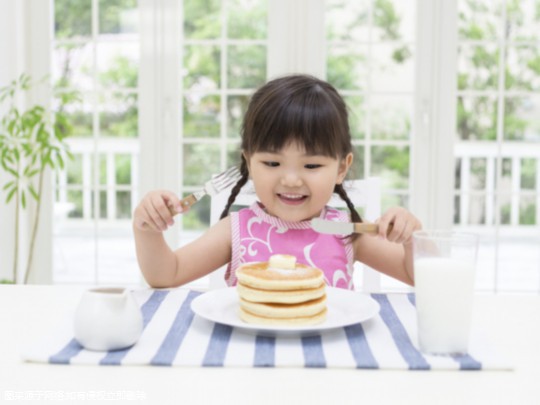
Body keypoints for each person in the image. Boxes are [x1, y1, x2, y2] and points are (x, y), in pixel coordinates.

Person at [133, 74, 421, 289]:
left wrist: (413, 239)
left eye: (311, 165)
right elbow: (165, 275)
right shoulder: (236, 230)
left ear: (341, 168)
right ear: (249, 163)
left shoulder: (347, 231)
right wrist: (147, 229)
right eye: (272, 163)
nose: (291, 179)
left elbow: (415, 276)